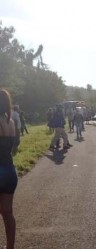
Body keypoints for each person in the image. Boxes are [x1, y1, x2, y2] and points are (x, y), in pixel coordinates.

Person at [0, 89, 18, 249]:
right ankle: (10, 246)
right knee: (7, 213)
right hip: (9, 171)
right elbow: (13, 148)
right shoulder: (10, 122)